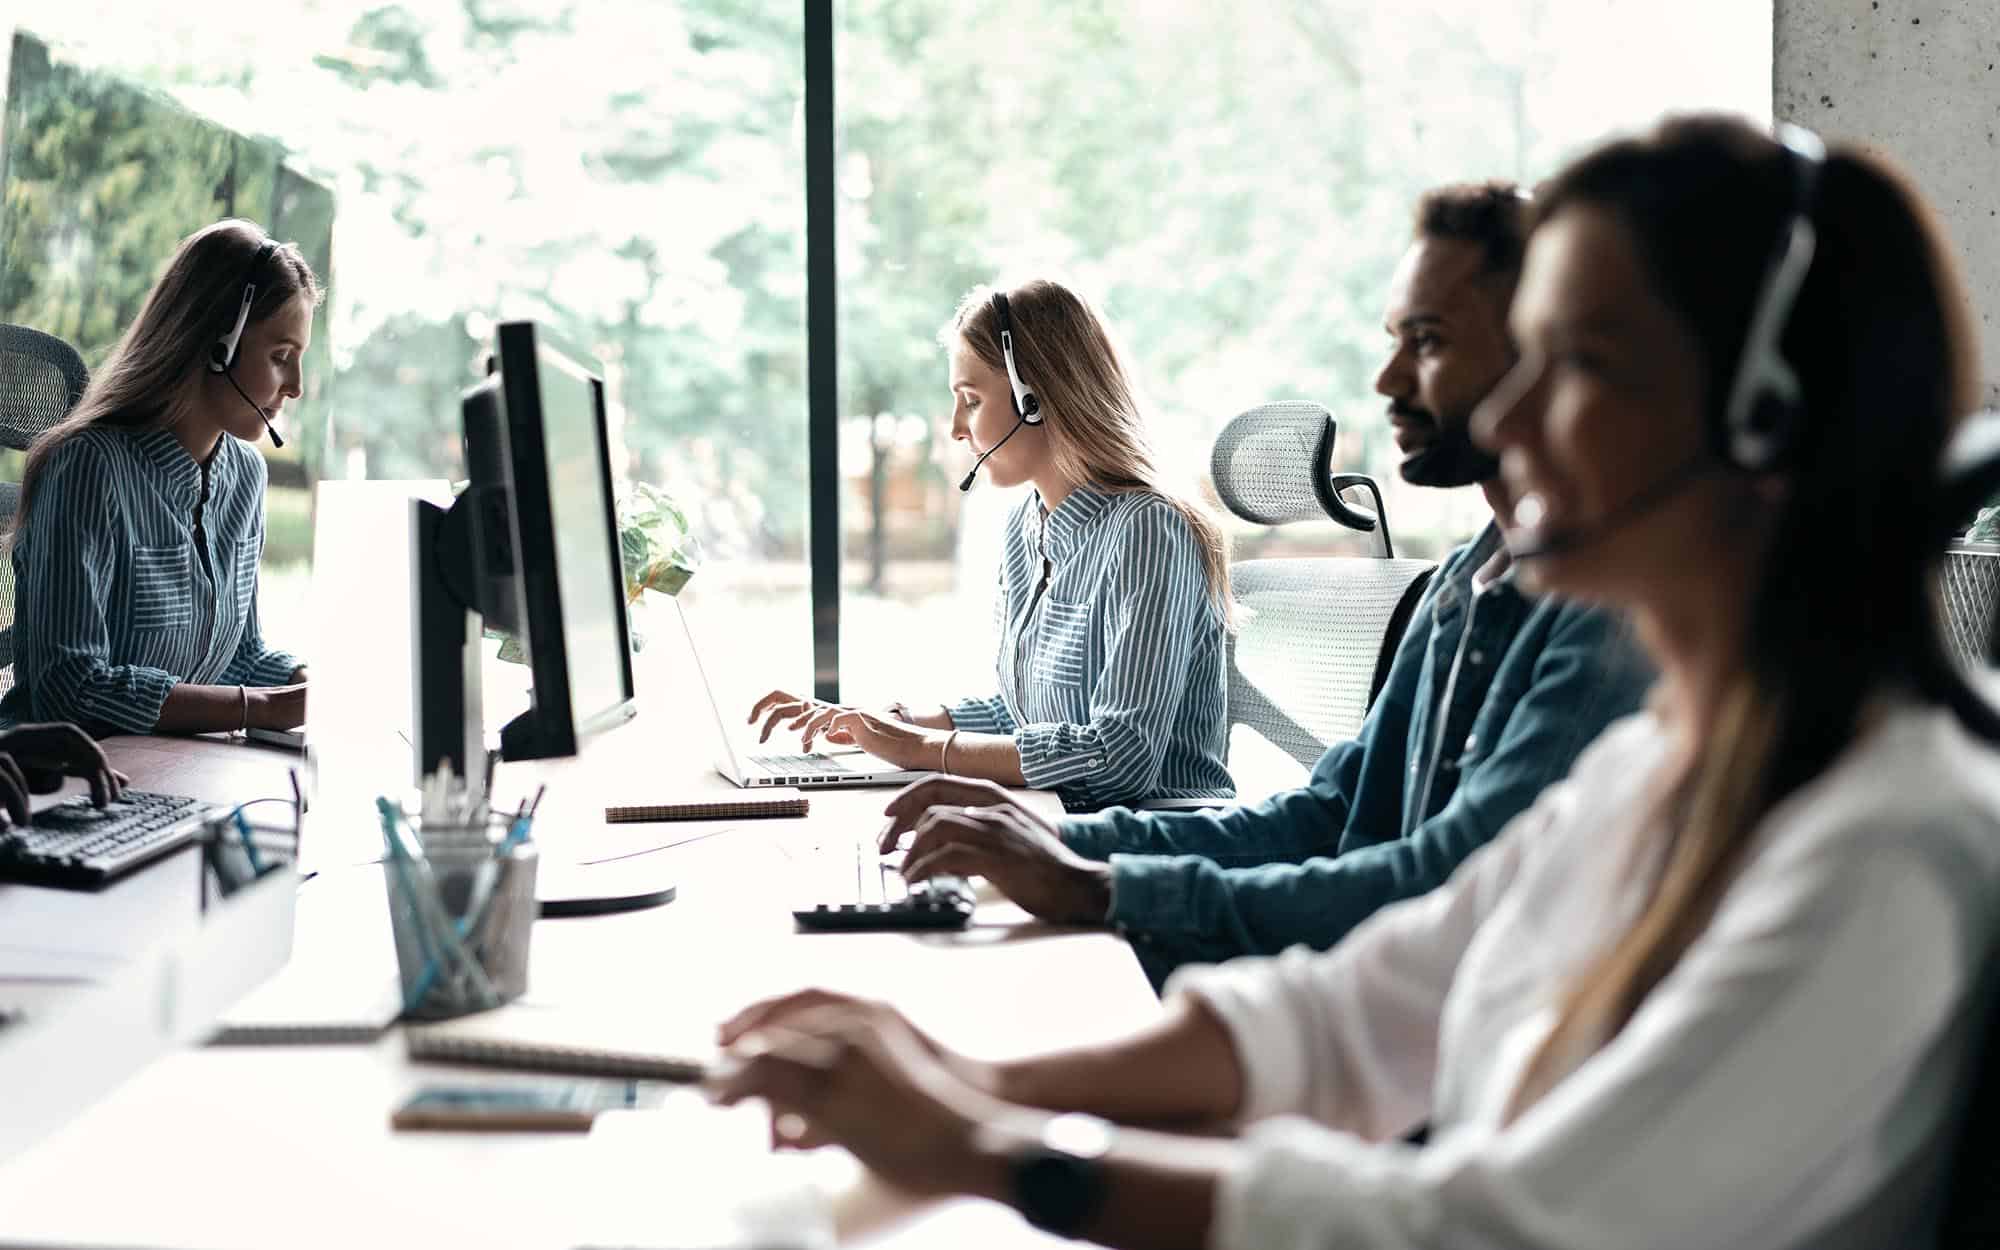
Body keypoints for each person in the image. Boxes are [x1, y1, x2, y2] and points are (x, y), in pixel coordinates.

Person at [709, 116, 2000, 1248]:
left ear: (1762, 419)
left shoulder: (1876, 856)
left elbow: (1483, 1228)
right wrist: (965, 1071)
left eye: (1584, 365)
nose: (1507, 420)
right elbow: (1344, 1022)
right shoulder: (1659, 771)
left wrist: (988, 1144)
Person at [870, 185, 1652, 985]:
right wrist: (1049, 843)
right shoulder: (1462, 585)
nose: (1385, 380)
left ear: (1546, 356)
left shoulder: (1607, 618)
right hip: (1340, 993)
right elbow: (1331, 814)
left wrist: (1099, 884)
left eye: (1427, 341)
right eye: (1393, 340)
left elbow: (1438, 887)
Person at [748, 279, 1233, 811]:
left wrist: (925, 749)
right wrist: (890, 722)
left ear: (1037, 399)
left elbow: (1120, 760)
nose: (958, 428)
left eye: (971, 400)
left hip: (1162, 839)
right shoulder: (1026, 527)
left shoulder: (1149, 530)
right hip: (1055, 824)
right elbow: (1025, 719)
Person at [1, 219, 314, 738]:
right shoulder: (88, 469)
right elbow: (71, 687)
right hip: (68, 777)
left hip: (178, 766)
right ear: (217, 345)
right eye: (281, 357)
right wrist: (257, 708)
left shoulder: (245, 477)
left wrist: (305, 686)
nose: (297, 386)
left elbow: (239, 654)